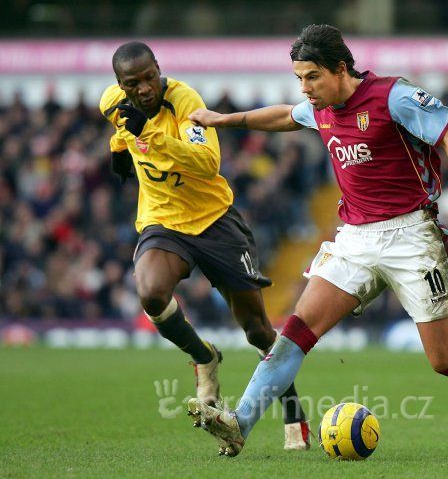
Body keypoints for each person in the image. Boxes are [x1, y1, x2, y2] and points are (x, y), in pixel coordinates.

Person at [186, 25, 448, 457]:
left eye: (312, 77)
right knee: (295, 332)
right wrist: (223, 120)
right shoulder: (319, 106)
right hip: (355, 239)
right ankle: (240, 423)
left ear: (340, 68)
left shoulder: (393, 97)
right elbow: (284, 116)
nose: (305, 88)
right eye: (299, 79)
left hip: (413, 236)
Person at [99, 41, 310, 451]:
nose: (144, 88)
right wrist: (119, 148)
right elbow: (118, 125)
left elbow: (206, 162)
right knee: (151, 293)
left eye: (149, 77)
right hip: (164, 222)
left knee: (257, 330)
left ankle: (293, 411)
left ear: (159, 68)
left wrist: (149, 138)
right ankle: (204, 356)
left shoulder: (185, 102)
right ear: (120, 86)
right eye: (133, 83)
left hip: (216, 223)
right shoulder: (113, 102)